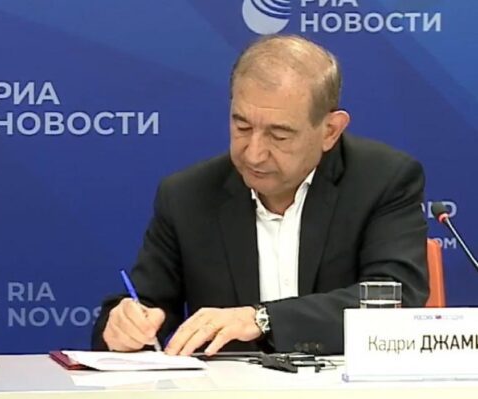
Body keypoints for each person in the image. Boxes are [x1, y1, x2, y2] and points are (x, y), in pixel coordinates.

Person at [92, 35, 428, 356]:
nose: (253, 154)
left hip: (349, 390)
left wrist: (261, 318)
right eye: (242, 127)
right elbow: (145, 306)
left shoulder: (382, 180)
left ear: (330, 131)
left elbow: (393, 301)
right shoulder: (187, 196)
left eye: (278, 135)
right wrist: (124, 326)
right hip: (228, 393)